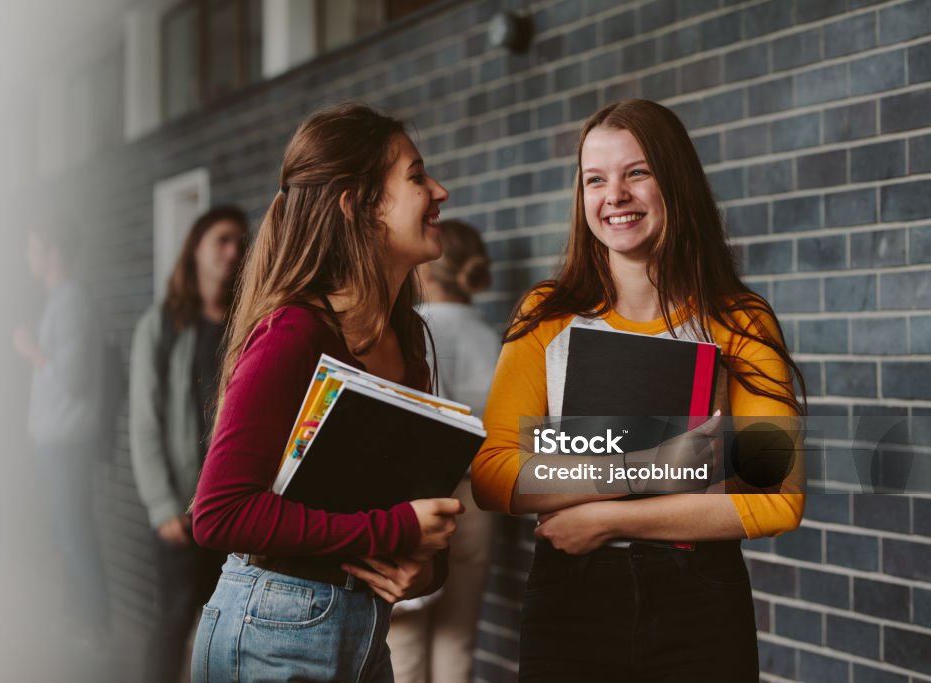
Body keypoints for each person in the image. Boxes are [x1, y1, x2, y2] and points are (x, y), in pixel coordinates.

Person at [471, 99, 807, 682]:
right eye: (594, 179)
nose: (614, 196)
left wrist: (607, 520)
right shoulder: (548, 315)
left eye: (637, 172)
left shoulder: (740, 320)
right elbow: (494, 472)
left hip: (700, 599)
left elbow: (775, 498)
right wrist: (648, 467)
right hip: (570, 601)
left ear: (675, 182)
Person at [190, 103, 464, 683]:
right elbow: (219, 513)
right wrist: (397, 531)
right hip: (271, 630)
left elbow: (389, 506)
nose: (439, 191)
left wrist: (425, 570)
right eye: (416, 177)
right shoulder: (294, 332)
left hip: (363, 629)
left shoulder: (407, 338)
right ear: (359, 206)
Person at [129, 205, 248, 683]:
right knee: (175, 621)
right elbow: (144, 420)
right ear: (195, 247)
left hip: (233, 506)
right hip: (180, 508)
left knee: (225, 630)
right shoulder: (161, 325)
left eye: (240, 241)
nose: (233, 251)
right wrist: (161, 505)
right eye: (222, 239)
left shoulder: (248, 323)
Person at [387, 220, 498, 683]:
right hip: (482, 500)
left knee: (405, 641)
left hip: (429, 500)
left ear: (427, 270)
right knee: (458, 637)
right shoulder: (493, 336)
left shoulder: (415, 330)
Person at [13, 220, 110, 641]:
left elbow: (71, 378)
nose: (28, 255)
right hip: (58, 439)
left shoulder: (71, 302)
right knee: (68, 532)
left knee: (75, 534)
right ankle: (79, 621)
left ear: (53, 252)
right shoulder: (61, 300)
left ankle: (94, 628)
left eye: (33, 246)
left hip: (68, 441)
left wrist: (31, 349)